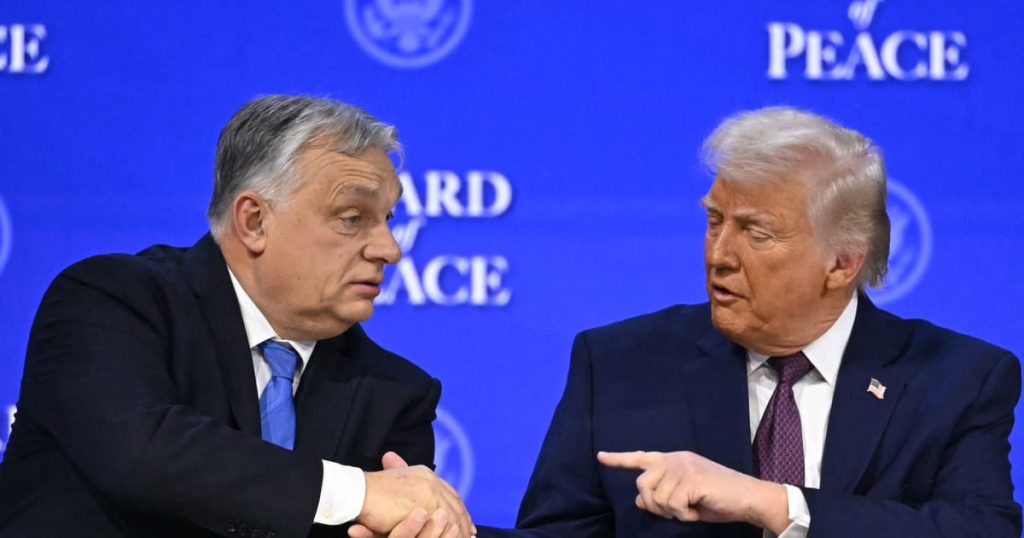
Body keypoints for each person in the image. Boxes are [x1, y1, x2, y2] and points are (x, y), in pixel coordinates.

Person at [475, 107, 1022, 537]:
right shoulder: (621, 364)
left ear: (841, 263)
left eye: (756, 233)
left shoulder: (956, 379)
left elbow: (981, 530)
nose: (718, 255)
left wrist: (773, 503)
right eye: (715, 221)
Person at [0, 95, 474, 538]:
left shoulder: (394, 393)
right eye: (353, 218)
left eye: (388, 219)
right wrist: (357, 492)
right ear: (254, 221)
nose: (390, 249)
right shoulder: (110, 301)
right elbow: (142, 454)